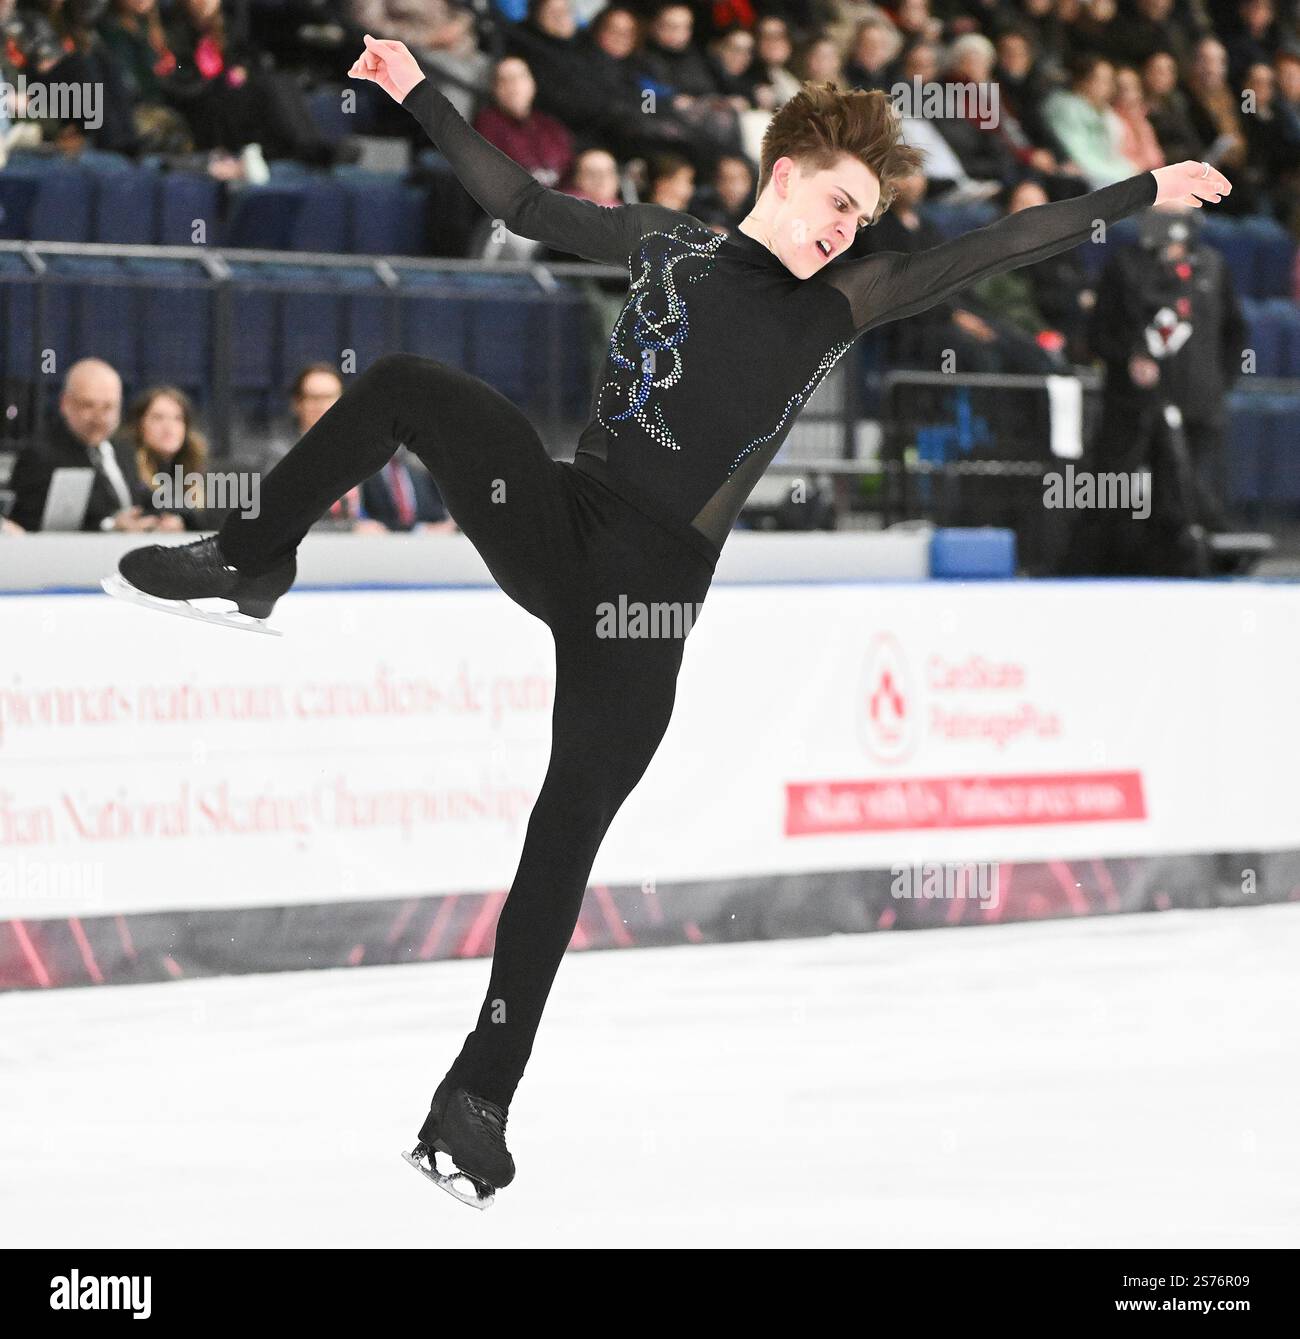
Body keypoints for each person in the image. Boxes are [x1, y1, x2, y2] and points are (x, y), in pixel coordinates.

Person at [107, 34, 1231, 1204]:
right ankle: (249, 557)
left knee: (559, 845)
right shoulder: (667, 240)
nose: (848, 227)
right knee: (398, 382)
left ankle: (474, 1104)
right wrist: (414, 93)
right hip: (561, 519)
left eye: (865, 213)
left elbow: (1002, 240)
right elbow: (520, 198)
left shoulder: (845, 300)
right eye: (837, 200)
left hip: (645, 608)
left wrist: (1144, 191)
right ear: (783, 172)